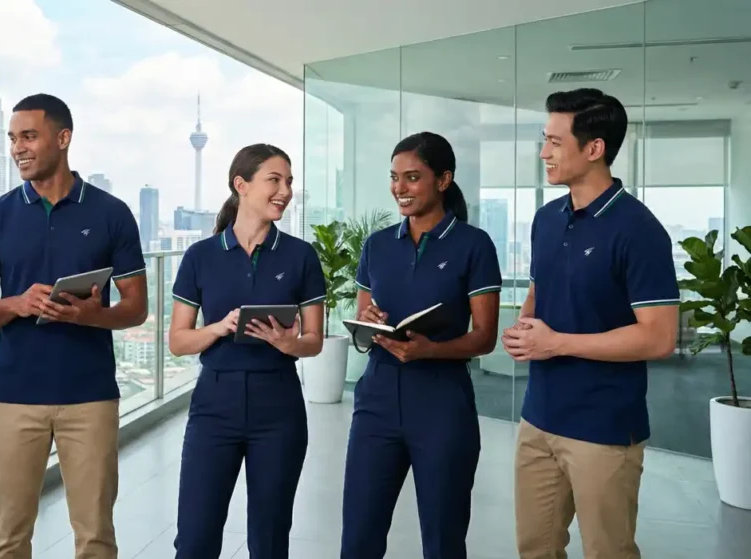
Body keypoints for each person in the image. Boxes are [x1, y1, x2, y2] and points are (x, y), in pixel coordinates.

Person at [0, 93, 148, 559]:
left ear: (63, 139)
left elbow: (137, 308)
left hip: (90, 397)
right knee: (7, 539)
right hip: (13, 397)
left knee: (96, 538)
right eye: (11, 138)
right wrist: (17, 304)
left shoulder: (111, 213)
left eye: (28, 136)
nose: (17, 148)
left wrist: (91, 316)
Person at [502, 88, 680, 559]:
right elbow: (539, 293)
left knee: (608, 552)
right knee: (534, 548)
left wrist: (557, 342)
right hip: (538, 417)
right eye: (545, 139)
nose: (544, 152)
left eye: (556, 141)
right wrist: (525, 328)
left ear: (594, 148)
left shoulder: (639, 230)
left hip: (603, 427)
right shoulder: (545, 219)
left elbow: (660, 337)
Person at [340, 132, 502, 559]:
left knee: (444, 539)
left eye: (412, 177)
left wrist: (430, 350)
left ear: (443, 179)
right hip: (376, 400)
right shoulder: (376, 245)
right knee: (358, 536)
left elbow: (485, 337)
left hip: (442, 404)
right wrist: (370, 324)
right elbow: (363, 323)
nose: (400, 188)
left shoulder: (474, 245)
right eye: (394, 177)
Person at [168, 144, 325, 559]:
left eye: (289, 181)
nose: (286, 190)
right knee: (195, 538)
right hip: (214, 406)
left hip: (279, 405)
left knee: (270, 540)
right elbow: (178, 341)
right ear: (241, 185)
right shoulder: (199, 256)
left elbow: (314, 340)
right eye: (275, 180)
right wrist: (219, 327)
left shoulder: (301, 256)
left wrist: (289, 343)